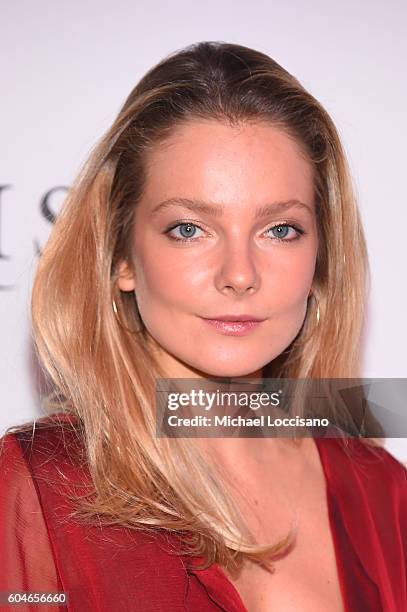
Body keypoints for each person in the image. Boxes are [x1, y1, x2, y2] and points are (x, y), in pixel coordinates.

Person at [0, 41, 405, 612]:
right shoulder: (42, 488)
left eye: (281, 230)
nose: (240, 275)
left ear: (322, 261)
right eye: (190, 229)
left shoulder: (383, 491)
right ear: (121, 257)